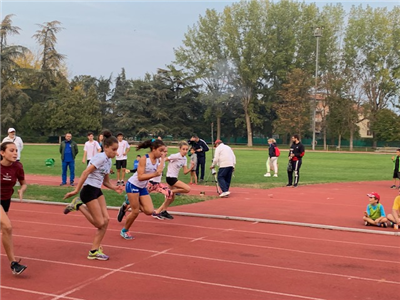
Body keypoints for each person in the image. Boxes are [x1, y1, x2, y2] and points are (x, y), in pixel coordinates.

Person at [63, 130, 123, 260]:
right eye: (113, 149)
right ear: (106, 147)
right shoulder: (100, 157)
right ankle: (79, 205)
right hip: (88, 190)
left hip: (97, 190)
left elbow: (106, 182)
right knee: (99, 223)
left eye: (117, 149)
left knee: (106, 220)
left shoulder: (108, 161)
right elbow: (85, 173)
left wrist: (115, 188)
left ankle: (94, 250)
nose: (116, 152)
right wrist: (76, 190)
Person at [119, 139, 166, 240]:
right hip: (133, 185)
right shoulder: (144, 159)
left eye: (163, 151)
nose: (162, 153)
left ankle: (129, 201)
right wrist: (154, 174)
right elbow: (140, 177)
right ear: (153, 149)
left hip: (142, 187)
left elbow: (159, 170)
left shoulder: (158, 160)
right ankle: (124, 231)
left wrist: (162, 159)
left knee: (149, 211)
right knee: (135, 211)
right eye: (160, 150)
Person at [118, 147, 175, 221]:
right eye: (163, 151)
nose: (165, 153)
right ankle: (126, 205)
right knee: (138, 203)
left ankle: (161, 211)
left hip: (157, 184)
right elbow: (145, 170)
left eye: (166, 152)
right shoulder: (154, 160)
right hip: (149, 183)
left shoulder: (162, 160)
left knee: (169, 193)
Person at [0, 142, 28, 275]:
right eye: (11, 150)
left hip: (6, 200)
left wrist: (21, 190)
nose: (15, 153)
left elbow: (23, 183)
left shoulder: (17, 166)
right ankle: (13, 263)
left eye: (16, 150)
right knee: (7, 226)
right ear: (2, 153)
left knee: (3, 229)